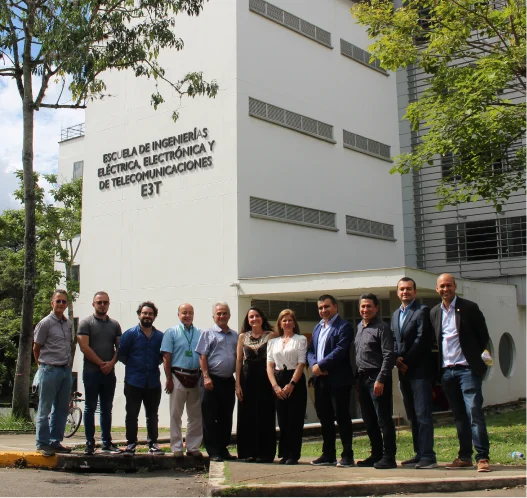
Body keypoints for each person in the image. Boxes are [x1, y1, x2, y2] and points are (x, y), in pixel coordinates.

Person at [430, 273, 491, 473]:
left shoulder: (469, 308)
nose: (445, 289)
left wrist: (476, 363)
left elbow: (483, 337)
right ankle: (465, 456)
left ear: (455, 286)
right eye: (442, 286)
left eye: (449, 285)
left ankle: (482, 457)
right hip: (447, 372)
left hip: (467, 370)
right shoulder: (434, 312)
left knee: (474, 412)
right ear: (437, 289)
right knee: (459, 416)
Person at [391, 278, 436, 469]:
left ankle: (428, 456)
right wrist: (396, 359)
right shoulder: (395, 315)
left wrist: (405, 361)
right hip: (404, 372)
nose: (405, 292)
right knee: (412, 414)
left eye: (409, 289)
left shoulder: (422, 311)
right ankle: (419, 453)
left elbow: (422, 340)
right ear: (397, 292)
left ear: (415, 292)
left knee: (423, 413)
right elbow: (393, 340)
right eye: (402, 289)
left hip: (419, 371)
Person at [307, 294, 354, 468]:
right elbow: (310, 350)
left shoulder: (344, 326)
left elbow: (341, 349)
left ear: (335, 307)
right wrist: (314, 365)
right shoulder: (317, 328)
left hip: (339, 380)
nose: (323, 310)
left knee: (342, 418)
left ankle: (347, 455)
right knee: (325, 418)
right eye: (320, 308)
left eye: (326, 306)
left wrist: (322, 364)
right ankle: (328, 454)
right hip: (320, 380)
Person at [355, 293, 397, 469]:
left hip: (377, 379)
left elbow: (389, 355)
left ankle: (389, 457)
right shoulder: (359, 327)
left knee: (383, 419)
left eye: (369, 306)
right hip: (362, 379)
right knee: (369, 420)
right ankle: (376, 454)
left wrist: (380, 379)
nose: (365, 309)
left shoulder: (382, 327)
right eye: (363, 306)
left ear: (376, 308)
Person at [78, 291, 122, 455]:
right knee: (90, 407)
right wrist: (100, 363)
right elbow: (84, 347)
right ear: (93, 304)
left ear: (109, 304)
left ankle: (107, 442)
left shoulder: (115, 325)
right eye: (99, 302)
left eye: (105, 302)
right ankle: (90, 442)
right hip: (91, 373)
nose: (102, 305)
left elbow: (120, 347)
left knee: (106, 409)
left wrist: (111, 363)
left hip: (109, 374)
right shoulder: (85, 323)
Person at [118, 301, 164, 456]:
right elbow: (122, 354)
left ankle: (153, 444)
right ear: (139, 314)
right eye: (144, 313)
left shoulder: (160, 336)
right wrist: (134, 366)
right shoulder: (130, 334)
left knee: (152, 415)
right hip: (133, 381)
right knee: (132, 414)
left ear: (154, 316)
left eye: (150, 314)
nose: (147, 316)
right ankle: (131, 444)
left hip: (152, 382)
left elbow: (161, 357)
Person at [195, 302, 238, 462]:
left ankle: (223, 448)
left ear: (229, 315)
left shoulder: (235, 335)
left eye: (225, 313)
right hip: (211, 381)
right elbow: (202, 356)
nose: (222, 316)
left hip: (228, 381)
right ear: (214, 316)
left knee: (226, 416)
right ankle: (213, 451)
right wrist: (206, 376)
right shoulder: (208, 333)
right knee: (210, 416)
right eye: (219, 313)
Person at [33, 289, 74, 457]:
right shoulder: (45, 323)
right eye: (58, 301)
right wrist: (41, 367)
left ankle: (55, 441)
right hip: (49, 369)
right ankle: (42, 443)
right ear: (52, 303)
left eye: (64, 301)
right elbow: (36, 348)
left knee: (61, 409)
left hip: (65, 371)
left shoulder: (68, 323)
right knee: (45, 409)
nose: (61, 304)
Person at [235, 307, 277, 463]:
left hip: (265, 380)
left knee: (265, 415)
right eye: (251, 317)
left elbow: (274, 359)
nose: (254, 319)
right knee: (247, 416)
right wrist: (237, 384)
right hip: (247, 380)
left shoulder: (271, 335)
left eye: (257, 316)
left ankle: (265, 453)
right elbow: (239, 360)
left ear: (262, 318)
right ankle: (247, 452)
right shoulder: (242, 337)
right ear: (248, 320)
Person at [161, 303, 203, 458]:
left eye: (190, 312)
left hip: (195, 376)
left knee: (195, 415)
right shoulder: (171, 332)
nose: (187, 315)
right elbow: (166, 357)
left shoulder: (200, 333)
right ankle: (177, 447)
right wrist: (168, 379)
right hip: (177, 375)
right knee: (175, 414)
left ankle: (192, 446)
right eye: (184, 312)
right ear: (178, 314)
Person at [266, 309, 307, 465]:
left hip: (294, 379)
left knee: (295, 419)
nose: (287, 323)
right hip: (278, 379)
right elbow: (269, 366)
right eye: (284, 320)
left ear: (294, 323)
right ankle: (284, 453)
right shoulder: (273, 342)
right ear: (280, 323)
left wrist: (291, 384)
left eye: (290, 320)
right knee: (282, 419)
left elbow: (301, 363)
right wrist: (275, 386)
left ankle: (293, 454)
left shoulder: (300, 339)